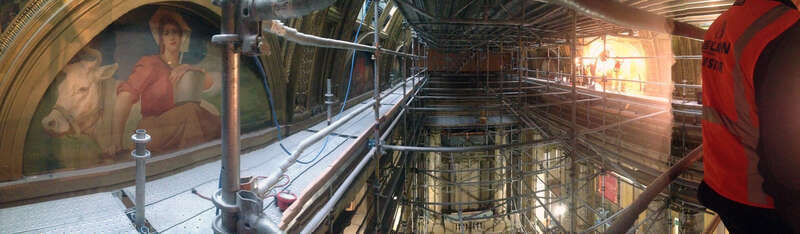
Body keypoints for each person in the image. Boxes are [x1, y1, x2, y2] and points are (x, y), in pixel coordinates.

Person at [698, 0, 800, 233]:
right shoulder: (785, 30)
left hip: (722, 185)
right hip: (761, 202)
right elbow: (789, 151)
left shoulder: (721, 23)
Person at [107, 8, 220, 155]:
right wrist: (116, 142)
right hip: (153, 130)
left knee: (219, 122)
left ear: (181, 38)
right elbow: (125, 97)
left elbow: (208, 83)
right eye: (167, 33)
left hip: (185, 124)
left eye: (175, 32)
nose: (172, 37)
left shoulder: (185, 68)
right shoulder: (150, 63)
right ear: (161, 39)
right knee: (191, 110)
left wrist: (189, 68)